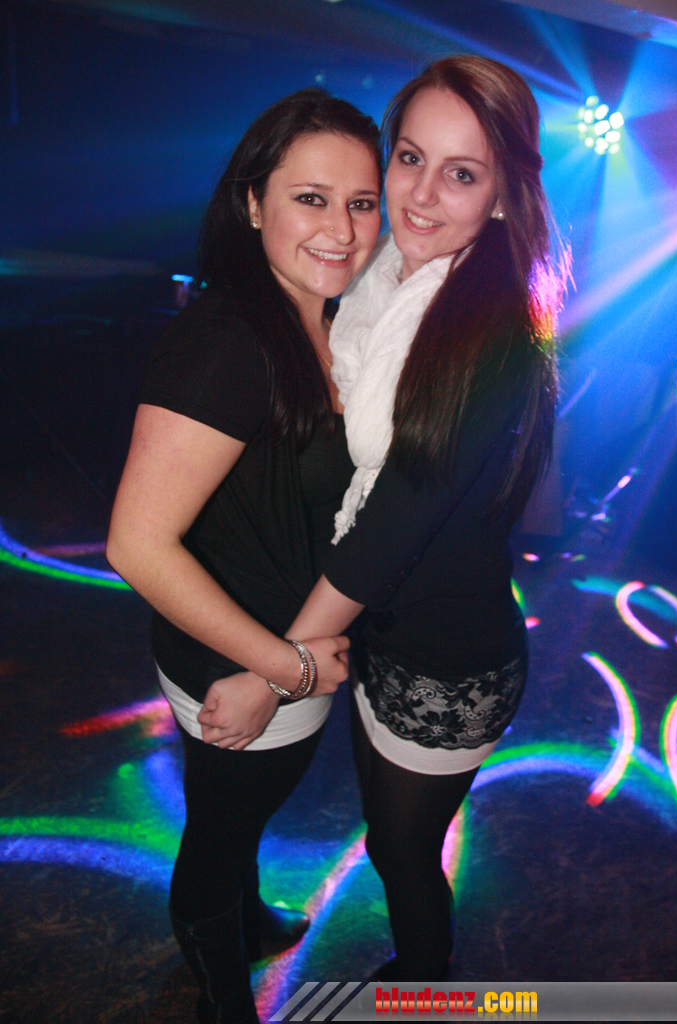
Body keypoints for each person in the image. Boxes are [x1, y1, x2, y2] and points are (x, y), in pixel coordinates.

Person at [200, 56, 569, 984]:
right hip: (372, 632)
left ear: (502, 195)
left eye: (461, 173)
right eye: (409, 158)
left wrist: (272, 673)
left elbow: (391, 526)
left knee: (399, 852)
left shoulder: (488, 331)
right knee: (381, 827)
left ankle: (425, 983)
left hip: (447, 662)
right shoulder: (379, 282)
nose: (421, 195)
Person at [106, 89, 382, 1024]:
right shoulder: (228, 341)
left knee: (242, 813)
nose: (340, 228)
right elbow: (136, 545)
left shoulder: (331, 321)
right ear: (254, 202)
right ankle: (220, 989)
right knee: (219, 834)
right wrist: (281, 667)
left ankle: (248, 919)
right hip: (239, 658)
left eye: (361, 202)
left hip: (283, 644)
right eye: (310, 198)